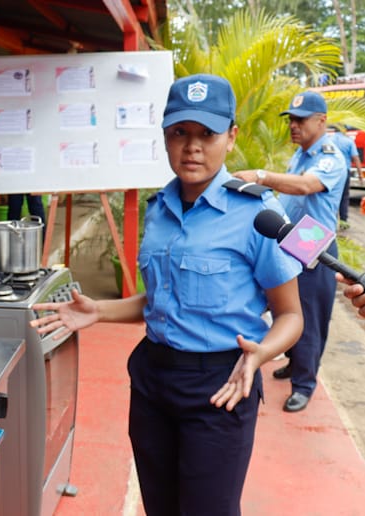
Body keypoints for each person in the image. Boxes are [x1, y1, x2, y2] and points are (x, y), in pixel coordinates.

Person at [30, 74, 303, 515]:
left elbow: (291, 316)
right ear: (165, 136)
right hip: (153, 381)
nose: (192, 147)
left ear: (231, 137)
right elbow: (162, 301)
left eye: (207, 134)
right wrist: (98, 310)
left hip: (222, 384)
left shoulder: (257, 214)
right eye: (180, 132)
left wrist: (262, 354)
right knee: (159, 505)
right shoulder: (159, 210)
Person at [233, 90, 348, 413]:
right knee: (286, 309)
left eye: (301, 120)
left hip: (314, 246)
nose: (293, 126)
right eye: (291, 120)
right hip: (290, 242)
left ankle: (304, 384)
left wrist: (261, 176)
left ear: (321, 121)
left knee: (308, 318)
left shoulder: (329, 158)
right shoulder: (301, 153)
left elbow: (305, 186)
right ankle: (295, 362)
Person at [329, 125, 362, 225]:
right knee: (344, 196)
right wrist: (360, 174)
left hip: (331, 172)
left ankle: (332, 220)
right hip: (344, 173)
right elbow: (356, 158)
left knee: (331, 196)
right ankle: (343, 220)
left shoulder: (329, 140)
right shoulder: (348, 141)